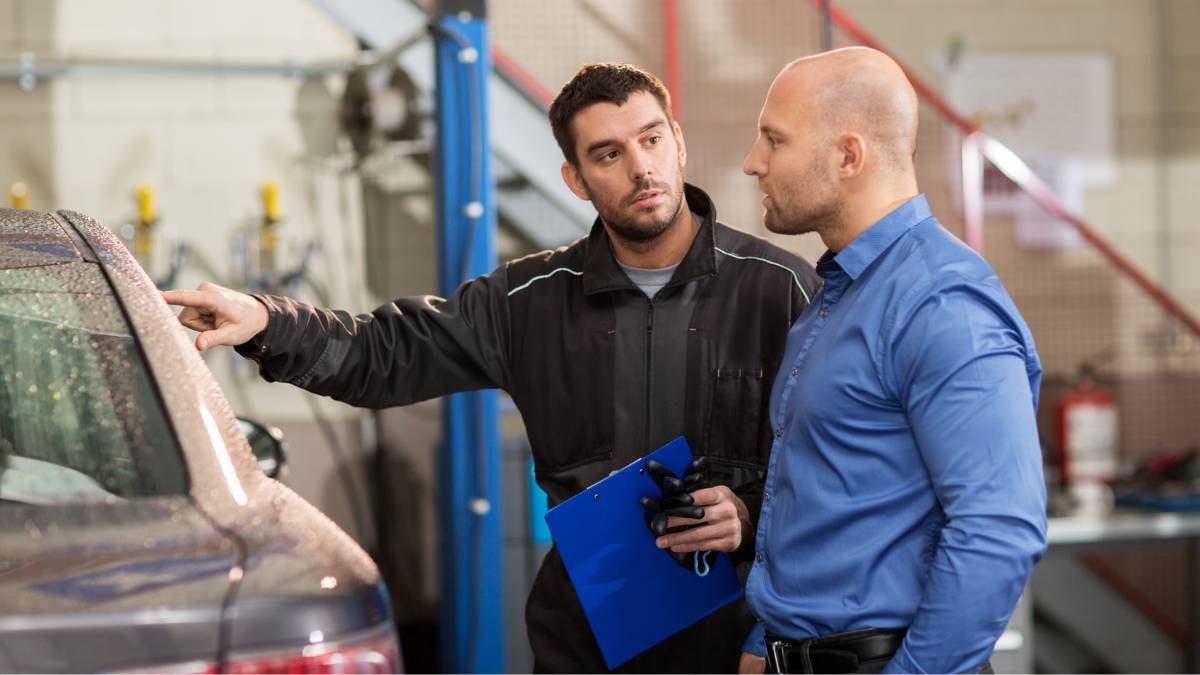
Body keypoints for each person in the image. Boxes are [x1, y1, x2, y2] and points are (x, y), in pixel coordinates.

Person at [163, 62, 820, 673]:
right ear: (575, 178)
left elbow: (840, 475)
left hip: (737, 644)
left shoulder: (782, 292)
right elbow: (378, 353)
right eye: (609, 154)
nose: (640, 168)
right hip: (586, 642)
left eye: (650, 140)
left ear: (677, 141)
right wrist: (267, 321)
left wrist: (748, 512)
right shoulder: (528, 301)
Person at [732, 47, 1048, 674]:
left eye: (774, 140)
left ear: (849, 156)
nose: (753, 163)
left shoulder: (940, 304)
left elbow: (998, 530)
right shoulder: (841, 294)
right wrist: (762, 644)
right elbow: (817, 504)